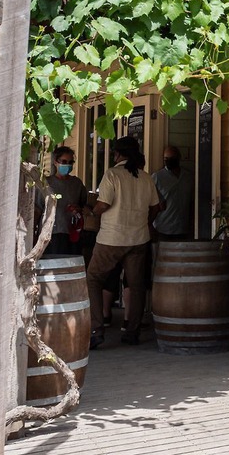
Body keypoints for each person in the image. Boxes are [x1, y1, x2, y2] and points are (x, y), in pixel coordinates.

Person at [86, 137, 160, 348]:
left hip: (111, 238)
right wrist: (145, 222)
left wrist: (92, 212)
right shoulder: (145, 178)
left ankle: (96, 329)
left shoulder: (112, 174)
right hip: (138, 238)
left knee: (93, 279)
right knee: (136, 286)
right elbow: (156, 206)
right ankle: (131, 332)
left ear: (117, 154)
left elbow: (103, 204)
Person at [35, 146, 89, 257]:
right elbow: (37, 210)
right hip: (50, 234)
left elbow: (85, 206)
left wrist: (78, 209)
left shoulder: (77, 183)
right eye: (64, 161)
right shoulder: (46, 183)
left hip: (72, 234)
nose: (67, 165)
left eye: (70, 162)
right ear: (55, 162)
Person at [150, 145, 193, 240]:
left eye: (172, 158)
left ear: (178, 158)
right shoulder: (157, 177)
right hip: (163, 228)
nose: (169, 161)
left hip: (183, 228)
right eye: (166, 158)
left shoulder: (188, 177)